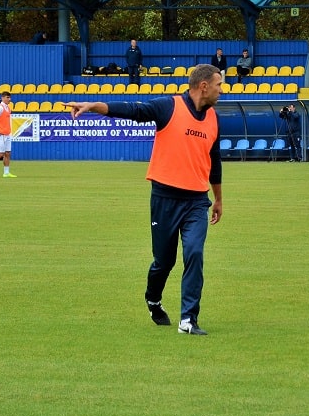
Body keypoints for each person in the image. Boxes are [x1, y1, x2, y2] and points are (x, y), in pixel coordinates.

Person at [67, 64, 224, 335]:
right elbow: (132, 110)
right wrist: (93, 106)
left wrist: (218, 199)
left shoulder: (214, 119)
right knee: (164, 261)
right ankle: (153, 299)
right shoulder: (168, 107)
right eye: (219, 85)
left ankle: (188, 319)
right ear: (204, 86)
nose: (222, 90)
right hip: (165, 198)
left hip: (197, 200)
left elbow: (215, 162)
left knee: (195, 253)